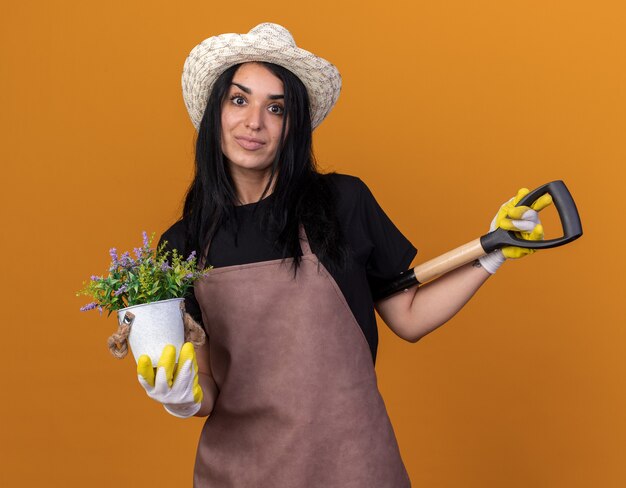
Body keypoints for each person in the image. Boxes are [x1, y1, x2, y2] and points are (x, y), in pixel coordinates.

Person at [135, 23, 551, 486]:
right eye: (239, 100)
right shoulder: (182, 245)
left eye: (277, 108)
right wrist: (182, 397)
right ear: (215, 112)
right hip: (242, 472)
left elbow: (408, 317)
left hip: (354, 464)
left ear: (294, 128)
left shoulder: (341, 203)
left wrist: (490, 254)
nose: (254, 122)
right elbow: (208, 384)